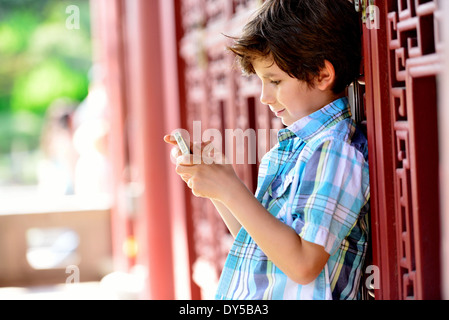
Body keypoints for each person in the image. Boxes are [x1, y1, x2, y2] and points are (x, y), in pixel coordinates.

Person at [164, 0, 369, 300]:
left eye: (274, 81)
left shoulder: (335, 151)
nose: (263, 97)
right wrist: (221, 186)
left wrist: (231, 189)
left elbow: (303, 265)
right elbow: (263, 249)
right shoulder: (294, 149)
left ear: (323, 75)